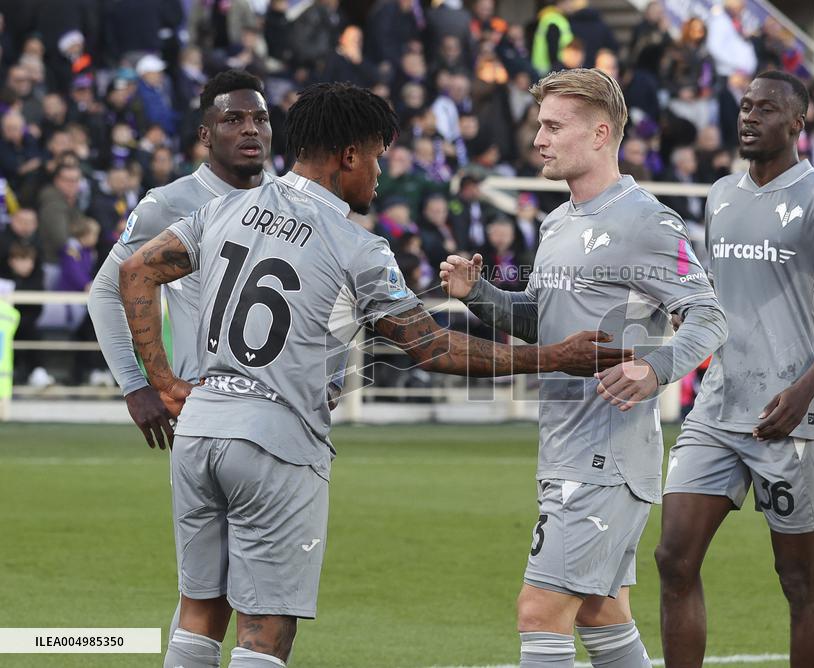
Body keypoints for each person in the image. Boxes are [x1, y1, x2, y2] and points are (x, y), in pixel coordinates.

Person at [119, 81, 630, 668]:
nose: (380, 174)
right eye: (379, 157)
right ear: (350, 156)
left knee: (199, 615)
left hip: (201, 429)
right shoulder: (355, 246)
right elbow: (432, 348)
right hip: (274, 442)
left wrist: (161, 379)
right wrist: (551, 357)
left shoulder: (223, 207)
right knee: (263, 634)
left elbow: (135, 271)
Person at [440, 68, 727, 668]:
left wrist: (654, 368)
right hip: (568, 446)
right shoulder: (558, 221)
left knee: (540, 612)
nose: (538, 138)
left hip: (608, 456)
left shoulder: (646, 221)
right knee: (601, 612)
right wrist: (482, 296)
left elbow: (708, 315)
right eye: (538, 125)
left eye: (552, 126)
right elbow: (546, 322)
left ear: (600, 134)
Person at [657, 70, 814, 668]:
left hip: (792, 417)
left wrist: (805, 391)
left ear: (798, 122)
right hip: (719, 406)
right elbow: (714, 295)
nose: (749, 116)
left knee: (799, 584)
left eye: (767, 109)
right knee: (673, 557)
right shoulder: (720, 194)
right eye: (746, 106)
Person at [89, 70, 272, 450]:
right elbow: (106, 291)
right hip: (201, 407)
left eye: (260, 118)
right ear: (205, 135)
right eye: (233, 119)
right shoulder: (168, 204)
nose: (250, 129)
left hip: (280, 413)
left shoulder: (292, 204)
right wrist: (135, 384)